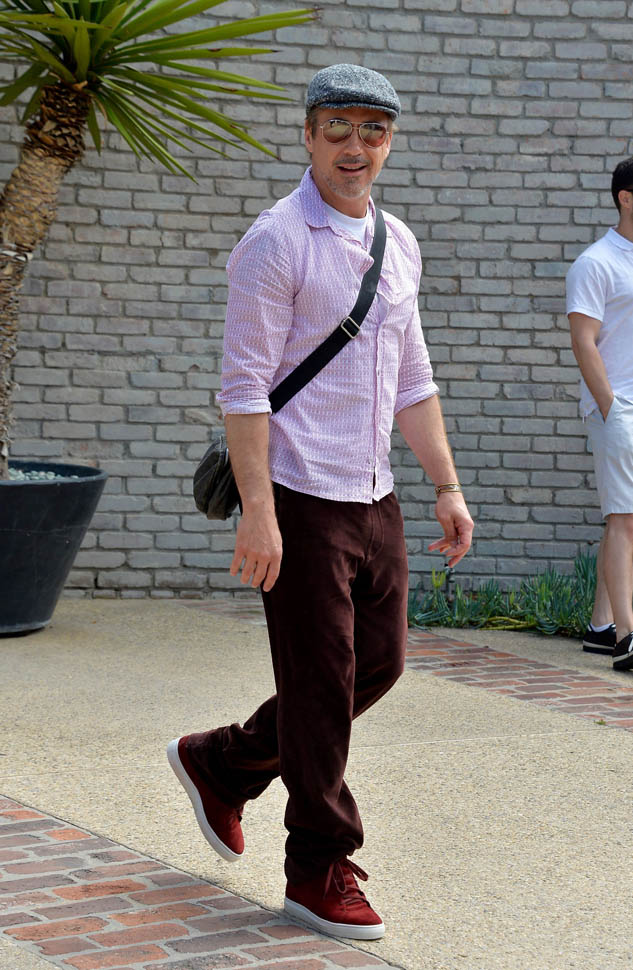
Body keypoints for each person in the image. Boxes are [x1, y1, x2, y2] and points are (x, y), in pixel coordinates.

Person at [168, 63, 474, 940]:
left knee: (376, 665)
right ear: (307, 135)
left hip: (374, 492)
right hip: (299, 496)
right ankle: (317, 867)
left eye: (372, 130)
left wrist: (445, 486)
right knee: (318, 683)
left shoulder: (397, 241)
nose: (354, 145)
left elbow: (412, 378)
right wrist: (259, 513)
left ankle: (225, 761)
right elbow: (243, 389)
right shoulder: (276, 241)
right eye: (336, 127)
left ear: (389, 142)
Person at [567, 156, 633, 672]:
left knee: (623, 516)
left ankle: (600, 628)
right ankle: (629, 637)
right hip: (621, 406)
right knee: (625, 518)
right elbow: (583, 341)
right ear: (626, 199)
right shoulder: (597, 262)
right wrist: (610, 408)